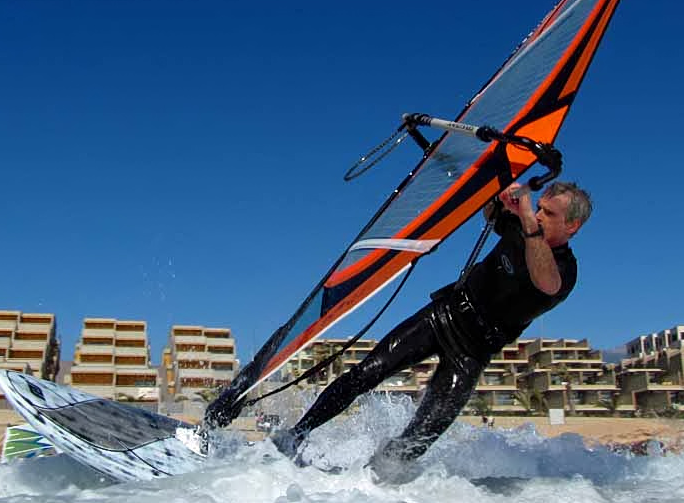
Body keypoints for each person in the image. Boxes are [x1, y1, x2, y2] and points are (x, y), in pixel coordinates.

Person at [209, 181, 591, 480]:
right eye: (539, 207)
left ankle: (375, 484)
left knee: (420, 437)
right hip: (443, 316)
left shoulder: (563, 270)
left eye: (549, 213)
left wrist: (525, 220)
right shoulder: (521, 226)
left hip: (472, 351)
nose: (538, 215)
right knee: (365, 373)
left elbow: (544, 282)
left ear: (571, 226)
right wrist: (501, 196)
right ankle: (295, 435)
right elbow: (488, 209)